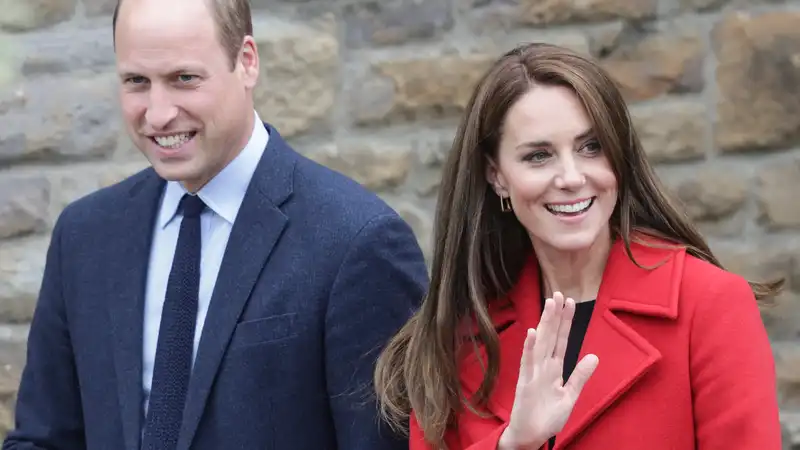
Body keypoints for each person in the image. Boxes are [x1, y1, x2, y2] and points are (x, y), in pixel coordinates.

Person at [3, 0, 429, 449]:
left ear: (246, 62)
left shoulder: (358, 241)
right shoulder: (84, 236)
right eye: (137, 82)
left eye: (184, 79)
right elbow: (42, 438)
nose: (159, 112)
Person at [373, 42, 784, 449]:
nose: (571, 177)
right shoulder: (460, 333)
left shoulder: (709, 305)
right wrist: (513, 445)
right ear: (497, 176)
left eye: (592, 147)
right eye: (538, 156)